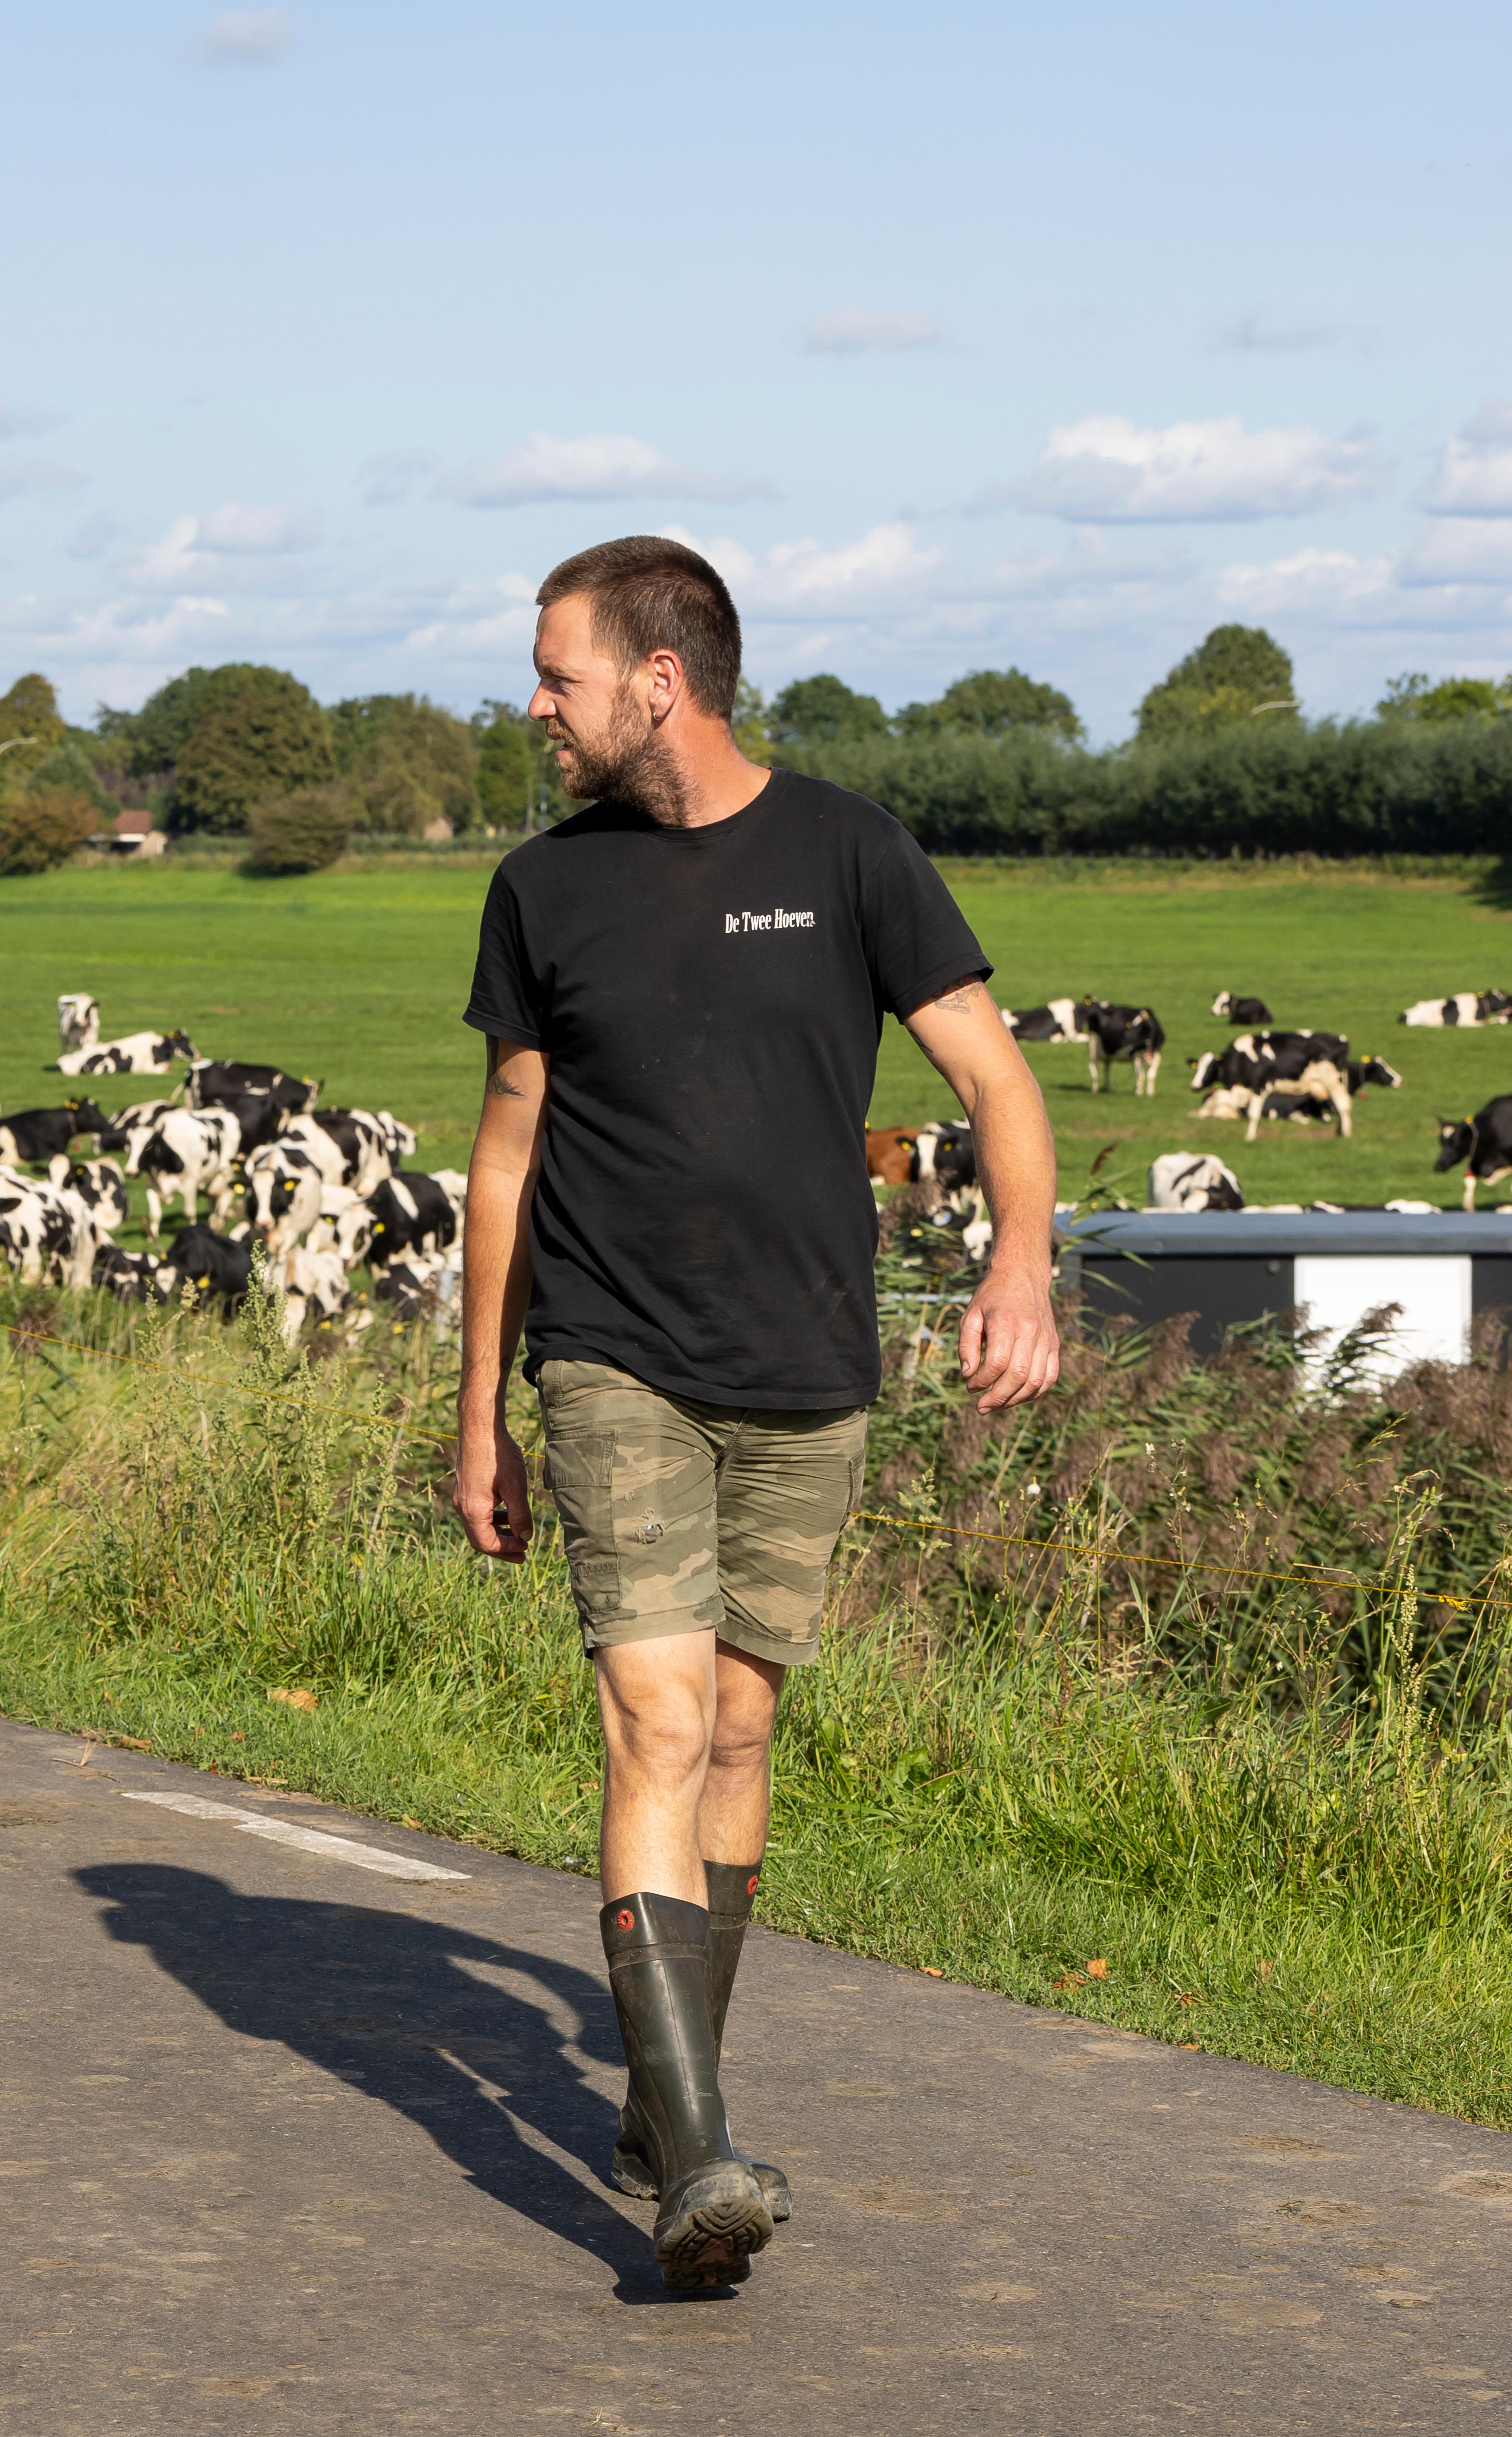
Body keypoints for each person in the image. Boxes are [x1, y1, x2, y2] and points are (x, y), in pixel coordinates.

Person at [451, 535, 1061, 2291]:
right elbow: (503, 1164)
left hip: (807, 1366)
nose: (537, 705)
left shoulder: (851, 852)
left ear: (660, 680)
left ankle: (665, 2091)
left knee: (734, 1731)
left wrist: (1019, 1265)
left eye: (556, 673)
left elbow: (992, 1075)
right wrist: (478, 1403)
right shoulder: (540, 890)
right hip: (609, 1354)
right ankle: (698, 2160)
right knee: (652, 1719)